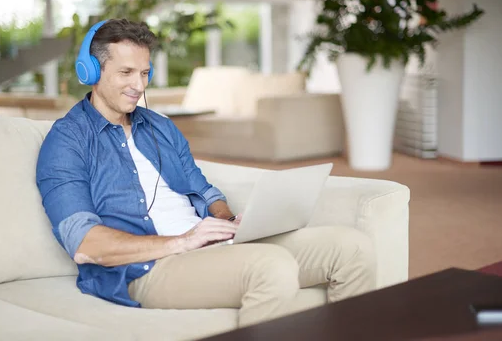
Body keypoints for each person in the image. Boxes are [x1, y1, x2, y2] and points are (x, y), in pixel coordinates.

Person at [36, 18, 376, 327]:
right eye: (126, 73)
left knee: (352, 247)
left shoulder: (161, 127)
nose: (138, 86)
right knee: (271, 266)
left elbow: (205, 191)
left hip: (207, 246)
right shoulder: (67, 141)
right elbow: (84, 244)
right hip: (146, 269)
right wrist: (183, 241)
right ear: (91, 71)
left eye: (144, 73)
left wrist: (229, 223)